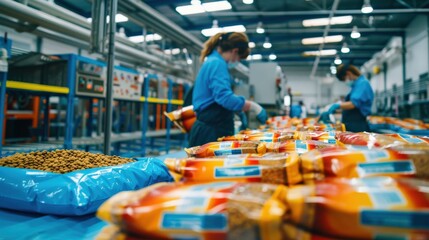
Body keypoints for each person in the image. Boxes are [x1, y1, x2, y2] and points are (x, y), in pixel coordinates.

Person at [188, 32, 267, 147]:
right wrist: (253, 106)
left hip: (208, 127)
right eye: (239, 58)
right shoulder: (217, 63)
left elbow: (215, 97)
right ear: (235, 51)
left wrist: (238, 110)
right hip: (210, 132)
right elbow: (224, 97)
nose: (237, 62)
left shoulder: (212, 60)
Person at [321, 64, 374, 132]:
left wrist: (337, 105)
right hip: (352, 125)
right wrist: (338, 110)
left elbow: (353, 104)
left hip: (357, 126)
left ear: (348, 73)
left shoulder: (363, 84)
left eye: (344, 79)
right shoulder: (356, 86)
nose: (345, 82)